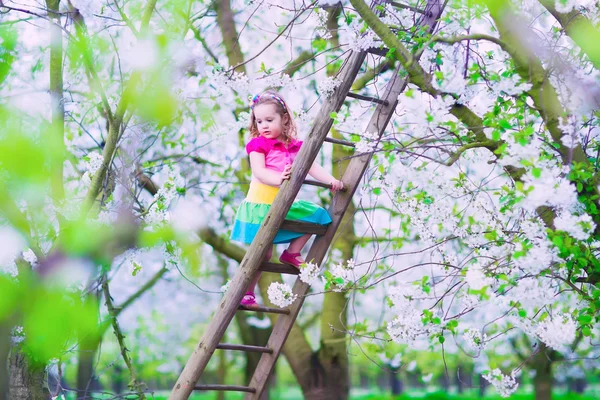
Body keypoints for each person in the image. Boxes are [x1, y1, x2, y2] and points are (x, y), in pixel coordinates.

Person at [230, 90, 344, 308]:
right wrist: (279, 179)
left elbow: (311, 166)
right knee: (263, 253)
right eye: (259, 120)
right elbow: (260, 172)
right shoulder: (258, 145)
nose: (263, 125)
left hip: (284, 205)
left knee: (319, 216)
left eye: (269, 120)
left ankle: (292, 253)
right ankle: (247, 292)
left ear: (284, 118)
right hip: (261, 206)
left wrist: (331, 181)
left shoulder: (295, 145)